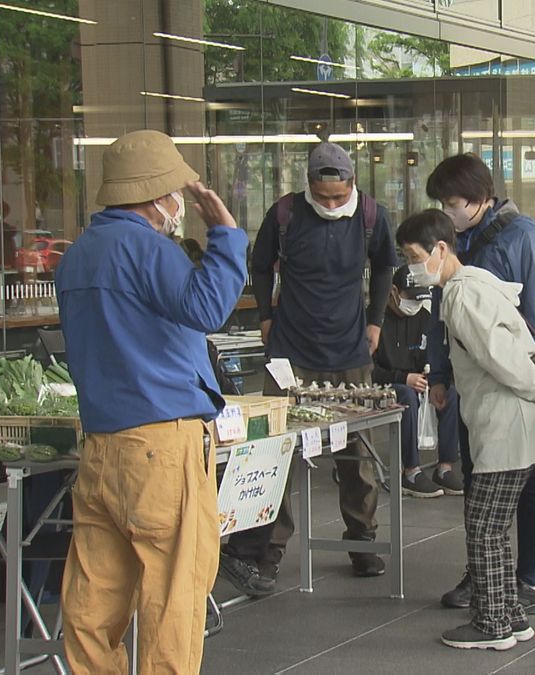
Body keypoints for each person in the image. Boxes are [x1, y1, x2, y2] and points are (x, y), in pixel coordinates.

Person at [55, 130, 247, 674]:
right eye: (174, 193)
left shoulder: (76, 258)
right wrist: (227, 235)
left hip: (101, 448)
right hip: (163, 445)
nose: (177, 205)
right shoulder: (147, 249)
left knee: (92, 605)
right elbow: (207, 308)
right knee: (172, 598)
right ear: (160, 194)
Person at [222, 141, 398, 595]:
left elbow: (384, 268)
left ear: (352, 185)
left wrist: (376, 321)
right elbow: (259, 266)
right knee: (273, 450)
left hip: (350, 348)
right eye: (323, 197)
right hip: (290, 350)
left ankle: (362, 541)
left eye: (339, 197)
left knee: (355, 451)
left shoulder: (371, 217)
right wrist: (264, 315)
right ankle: (266, 551)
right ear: (309, 187)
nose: (332, 204)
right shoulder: (285, 216)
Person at [396, 209, 535, 650]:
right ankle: (510, 615)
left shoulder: (460, 294)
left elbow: (504, 360)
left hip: (506, 422)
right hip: (509, 421)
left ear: (440, 249)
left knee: (484, 527)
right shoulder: (473, 282)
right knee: (490, 525)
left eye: (414, 256)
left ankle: (492, 624)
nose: (411, 268)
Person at [426, 154, 535, 615]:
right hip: (472, 383)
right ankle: (484, 574)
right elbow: (440, 317)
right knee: (480, 482)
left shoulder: (522, 236)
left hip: (517, 381)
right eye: (442, 203)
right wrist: (440, 375)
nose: (448, 211)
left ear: (480, 199)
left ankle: (529, 578)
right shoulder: (453, 241)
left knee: (530, 481)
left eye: (453, 202)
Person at [372, 265, 464, 498]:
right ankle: (410, 470)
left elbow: (434, 356)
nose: (414, 304)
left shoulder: (424, 319)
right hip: (388, 383)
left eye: (419, 299)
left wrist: (433, 379)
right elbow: (367, 370)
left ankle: (445, 467)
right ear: (393, 291)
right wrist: (404, 378)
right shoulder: (376, 320)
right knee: (406, 395)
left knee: (450, 393)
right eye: (410, 298)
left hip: (420, 380)